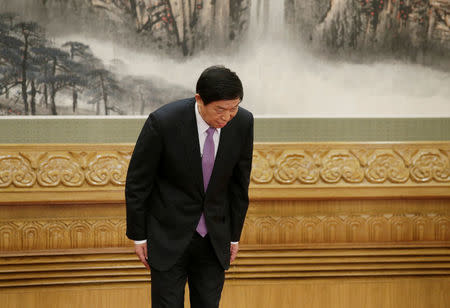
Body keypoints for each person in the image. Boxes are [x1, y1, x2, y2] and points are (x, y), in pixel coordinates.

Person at [125, 65, 254, 308]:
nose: (227, 116)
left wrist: (234, 236)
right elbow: (138, 181)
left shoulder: (243, 122)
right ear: (199, 100)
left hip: (214, 238)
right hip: (167, 235)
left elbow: (239, 184)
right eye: (220, 109)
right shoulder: (163, 122)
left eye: (234, 108)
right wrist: (138, 234)